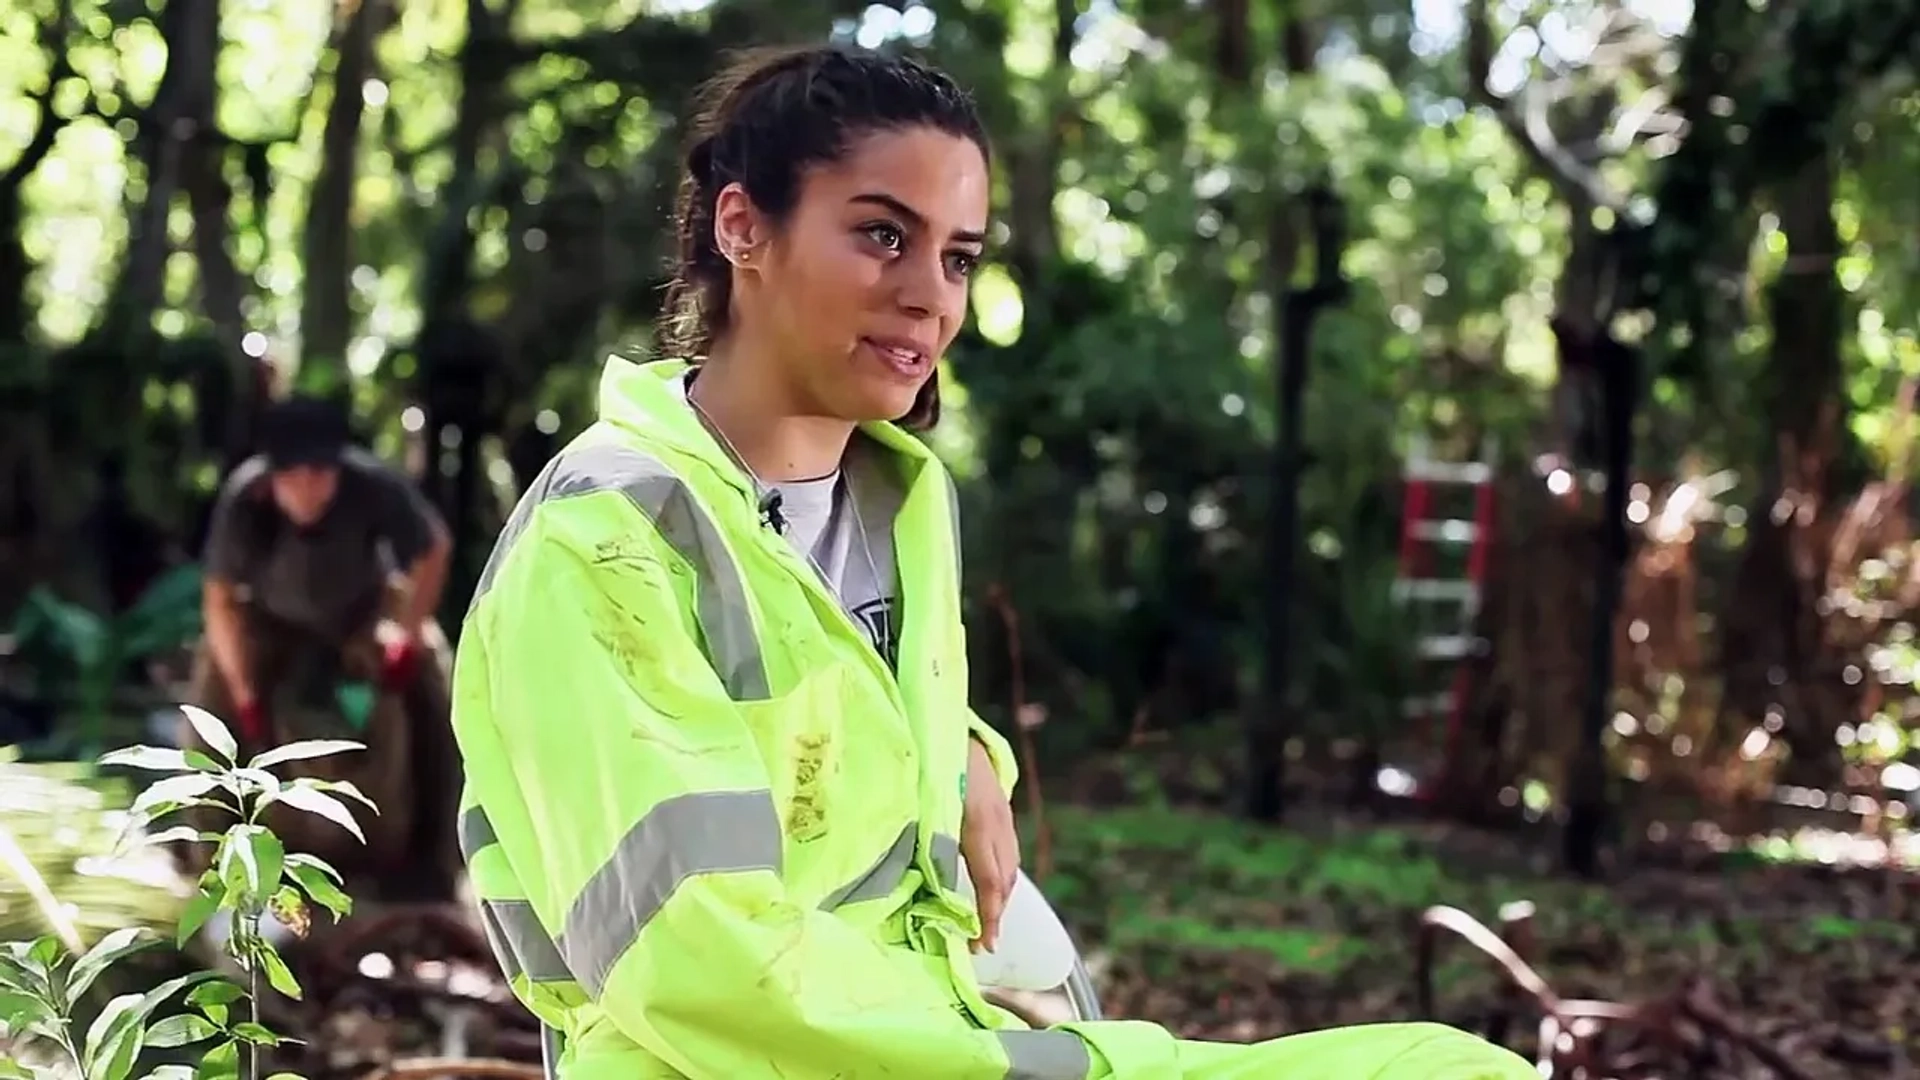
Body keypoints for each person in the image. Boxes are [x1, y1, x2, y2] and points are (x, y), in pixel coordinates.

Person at [450, 44, 1535, 1079]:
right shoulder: (605, 539)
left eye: (958, 256)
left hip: (935, 1032)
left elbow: (825, 718)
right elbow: (699, 965)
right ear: (743, 226)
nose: (931, 293)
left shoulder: (901, 505)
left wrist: (967, 754)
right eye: (882, 235)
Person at [189, 394, 461, 902]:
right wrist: (245, 693)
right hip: (270, 621)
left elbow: (434, 548)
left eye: (321, 472)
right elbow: (220, 600)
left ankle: (434, 859)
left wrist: (405, 637)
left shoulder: (374, 486)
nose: (310, 487)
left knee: (435, 686)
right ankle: (212, 867)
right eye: (295, 476)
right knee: (206, 708)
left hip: (363, 615)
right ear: (273, 478)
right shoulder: (245, 502)